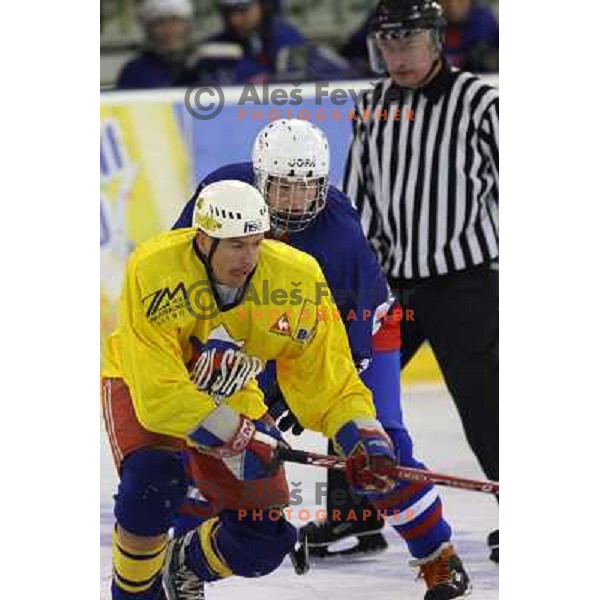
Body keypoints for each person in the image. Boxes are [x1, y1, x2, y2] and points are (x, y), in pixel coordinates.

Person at [173, 119, 471, 599]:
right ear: (258, 179)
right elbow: (179, 273)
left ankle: (438, 556)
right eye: (283, 189)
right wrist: (211, 345)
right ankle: (181, 558)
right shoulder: (221, 194)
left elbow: (350, 338)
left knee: (381, 449)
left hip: (352, 333)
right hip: (256, 335)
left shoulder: (340, 237)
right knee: (207, 437)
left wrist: (323, 399)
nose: (295, 203)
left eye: (307, 188)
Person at [101, 179, 400, 599]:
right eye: (236, 245)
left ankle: (183, 562)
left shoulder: (296, 278)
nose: (249, 258)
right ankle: (134, 594)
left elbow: (330, 379)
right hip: (141, 382)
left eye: (257, 243)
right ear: (203, 241)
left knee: (264, 539)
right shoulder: (153, 269)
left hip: (229, 392)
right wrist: (239, 434)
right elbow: (159, 397)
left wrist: (362, 436)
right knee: (153, 483)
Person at [342, 0, 499, 563]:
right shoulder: (370, 106)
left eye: (407, 42)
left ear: (435, 42)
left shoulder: (480, 101)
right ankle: (352, 517)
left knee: (489, 407)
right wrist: (354, 282)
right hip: (392, 290)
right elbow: (356, 200)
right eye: (387, 43)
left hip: (465, 286)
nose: (397, 55)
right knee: (350, 395)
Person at [116, 0, 197, 89]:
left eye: (175, 21)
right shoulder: (134, 72)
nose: (169, 31)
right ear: (148, 31)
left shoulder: (204, 66)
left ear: (188, 27)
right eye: (161, 23)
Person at [440, 0, 498, 72]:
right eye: (446, 1)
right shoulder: (429, 25)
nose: (453, 5)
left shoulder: (486, 24)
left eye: (460, 1)